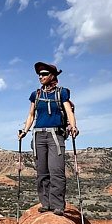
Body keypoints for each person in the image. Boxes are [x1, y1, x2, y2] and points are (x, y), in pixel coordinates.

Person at [18, 61, 78, 215]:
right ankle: (46, 203)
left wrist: (73, 126)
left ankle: (58, 205)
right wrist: (25, 131)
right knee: (42, 172)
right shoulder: (36, 95)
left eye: (44, 74)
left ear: (52, 76)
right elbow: (31, 115)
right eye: (39, 74)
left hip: (55, 135)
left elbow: (69, 111)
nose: (40, 77)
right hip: (38, 134)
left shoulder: (61, 93)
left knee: (56, 170)